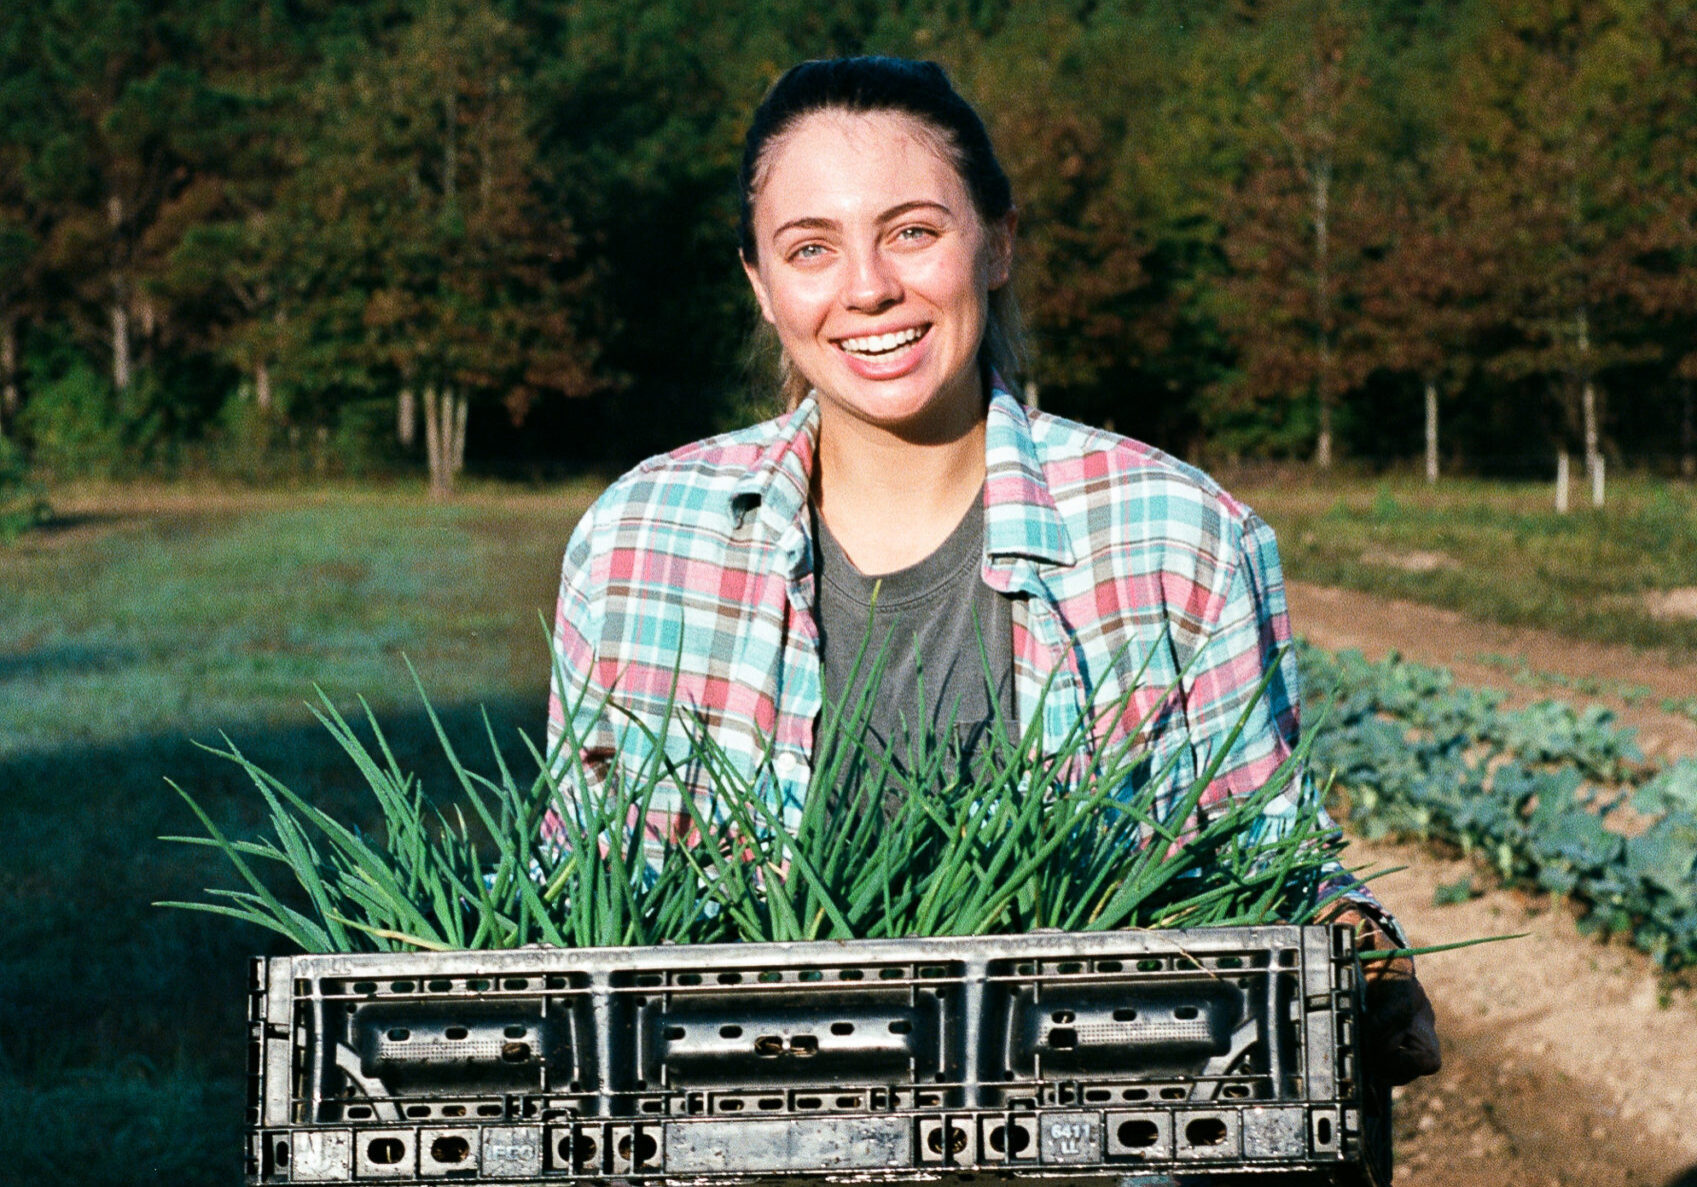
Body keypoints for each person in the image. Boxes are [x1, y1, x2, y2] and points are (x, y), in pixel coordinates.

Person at [546, 55, 1439, 1088]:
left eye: (912, 231)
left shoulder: (1172, 533)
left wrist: (1354, 942)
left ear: (997, 243)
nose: (868, 286)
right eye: (810, 248)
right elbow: (577, 894)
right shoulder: (640, 541)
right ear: (759, 284)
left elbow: (1266, 863)